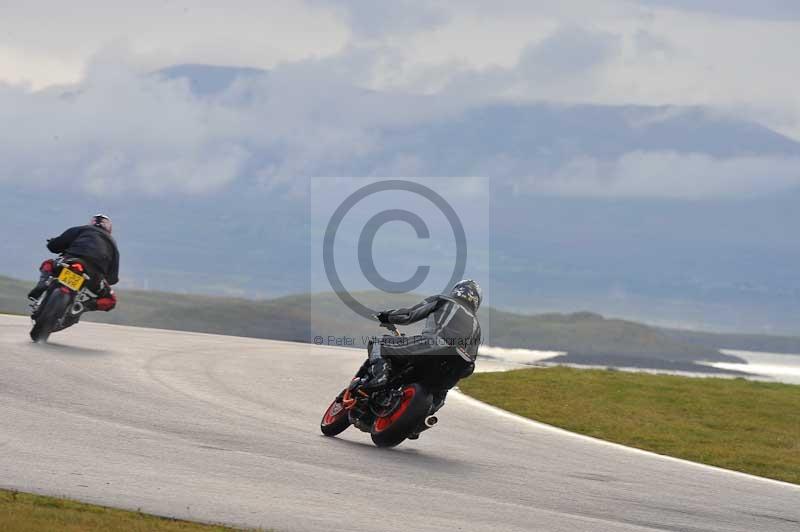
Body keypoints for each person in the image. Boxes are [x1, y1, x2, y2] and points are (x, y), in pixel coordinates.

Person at [365, 279, 482, 414]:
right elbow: (472, 358)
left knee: (378, 342)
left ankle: (380, 377)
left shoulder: (443, 300)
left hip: (432, 345)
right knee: (439, 394)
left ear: (457, 290)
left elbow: (408, 315)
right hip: (458, 365)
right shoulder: (477, 326)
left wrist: (386, 316)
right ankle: (426, 415)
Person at [28, 214, 119, 313]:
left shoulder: (80, 229)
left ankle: (43, 283)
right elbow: (113, 277)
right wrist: (103, 280)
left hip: (71, 262)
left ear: (92, 222)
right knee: (111, 300)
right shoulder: (113, 244)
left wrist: (52, 242)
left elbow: (54, 246)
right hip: (94, 275)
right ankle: (81, 307)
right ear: (109, 228)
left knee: (48, 264)